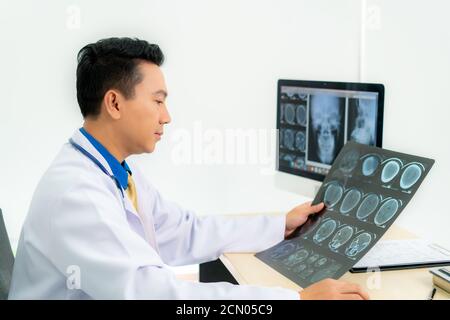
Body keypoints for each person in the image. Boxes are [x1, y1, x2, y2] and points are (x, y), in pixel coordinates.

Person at [8, 37, 369, 300]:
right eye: (158, 101)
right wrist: (297, 301)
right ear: (114, 103)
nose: (167, 117)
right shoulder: (77, 195)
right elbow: (155, 295)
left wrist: (279, 225)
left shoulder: (113, 172)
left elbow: (186, 231)